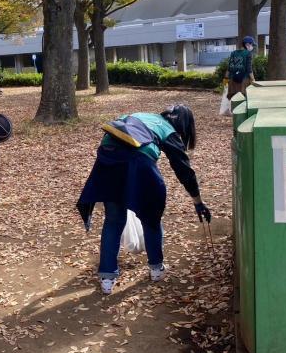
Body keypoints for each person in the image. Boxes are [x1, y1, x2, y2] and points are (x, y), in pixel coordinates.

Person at [77, 105, 211, 294]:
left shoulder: (139, 116)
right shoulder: (168, 130)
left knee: (114, 220)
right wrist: (198, 201)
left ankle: (107, 278)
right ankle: (156, 268)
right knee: (151, 218)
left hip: (107, 159)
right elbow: (183, 169)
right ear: (184, 124)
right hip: (139, 162)